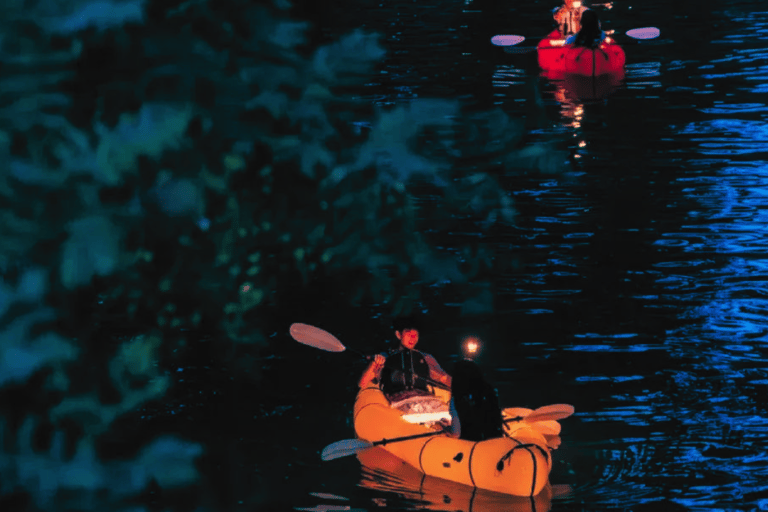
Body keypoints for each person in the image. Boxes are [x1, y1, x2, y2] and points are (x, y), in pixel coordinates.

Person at [358, 316, 452, 402]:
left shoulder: (426, 358)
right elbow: (362, 383)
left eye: (415, 335)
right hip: (395, 400)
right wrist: (373, 365)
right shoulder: (385, 356)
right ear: (398, 335)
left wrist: (460, 387)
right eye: (408, 334)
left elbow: (444, 378)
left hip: (422, 398)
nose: (412, 338)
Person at [447, 360, 503, 441]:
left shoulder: (458, 398)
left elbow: (457, 433)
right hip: (493, 442)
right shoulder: (488, 391)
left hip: (469, 446)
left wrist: (447, 430)